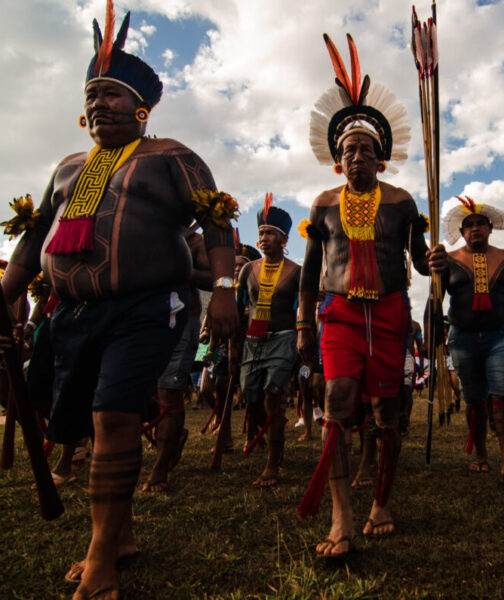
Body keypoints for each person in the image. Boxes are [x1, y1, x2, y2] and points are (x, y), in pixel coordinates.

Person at [0, 5, 238, 599]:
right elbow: (36, 242)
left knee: (114, 416)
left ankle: (101, 555)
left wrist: (228, 292)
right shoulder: (69, 168)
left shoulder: (171, 156)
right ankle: (122, 533)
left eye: (111, 93)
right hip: (72, 314)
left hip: (147, 307)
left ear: (141, 105)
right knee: (78, 422)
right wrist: (5, 299)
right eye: (92, 94)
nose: (99, 103)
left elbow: (216, 228)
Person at [295, 34, 430, 558]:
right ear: (337, 158)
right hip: (340, 312)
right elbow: (309, 274)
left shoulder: (401, 202)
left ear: (381, 158)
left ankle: (380, 502)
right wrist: (306, 324)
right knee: (338, 399)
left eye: (366, 149)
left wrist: (433, 262)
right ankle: (341, 517)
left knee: (387, 410)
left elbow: (417, 262)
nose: (357, 155)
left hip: (391, 311)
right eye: (349, 149)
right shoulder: (323, 205)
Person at [429, 196, 504, 486]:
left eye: (480, 224)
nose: (475, 229)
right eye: (468, 225)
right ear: (461, 233)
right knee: (475, 400)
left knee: (503, 396)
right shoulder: (447, 260)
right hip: (462, 338)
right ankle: (481, 456)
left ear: (490, 228)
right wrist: (432, 332)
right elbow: (434, 296)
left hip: (501, 336)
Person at [233, 194, 300, 488]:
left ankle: (273, 462)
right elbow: (238, 307)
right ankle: (272, 435)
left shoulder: (296, 272)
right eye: (261, 233)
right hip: (251, 341)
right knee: (252, 397)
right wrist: (233, 342)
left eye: (270, 233)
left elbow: (302, 309)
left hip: (284, 339)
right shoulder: (248, 270)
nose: (264, 238)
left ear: (283, 239)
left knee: (274, 394)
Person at [141, 225, 212, 492]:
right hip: (141, 320)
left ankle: (159, 467)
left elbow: (212, 277)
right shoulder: (139, 229)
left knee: (169, 392)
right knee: (142, 392)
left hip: (182, 319)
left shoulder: (194, 241)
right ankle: (174, 437)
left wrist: (181, 269)